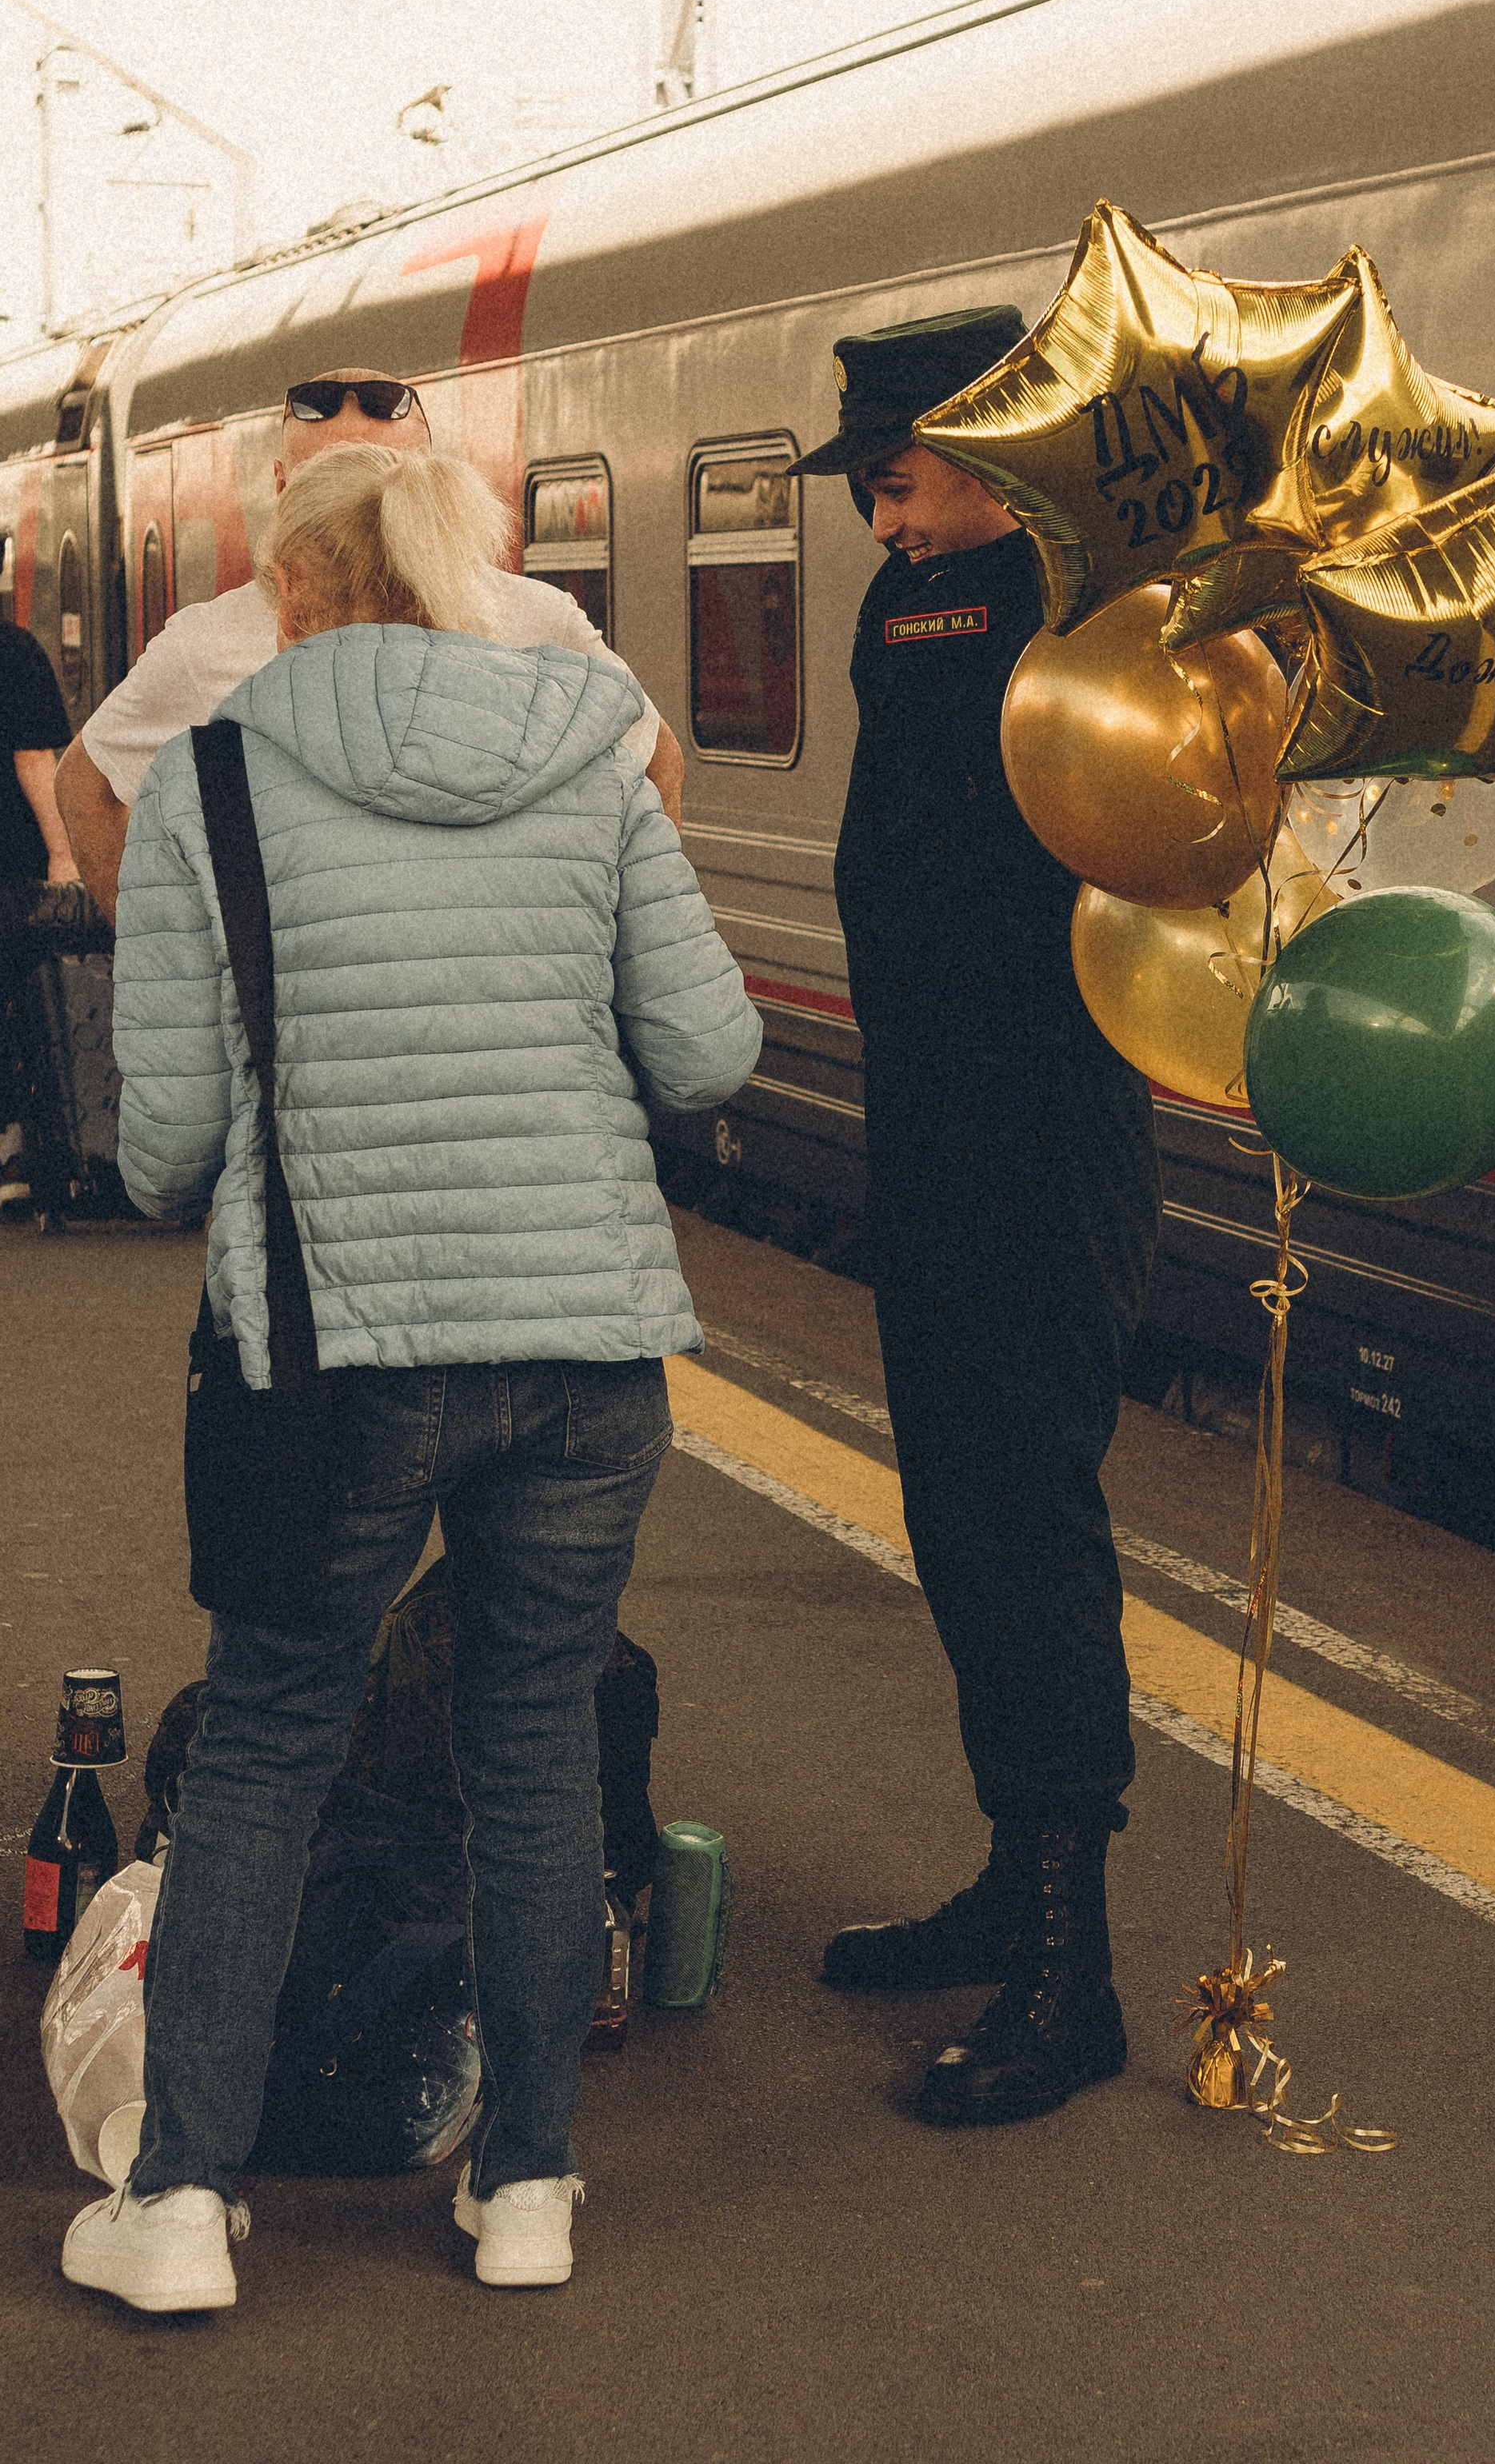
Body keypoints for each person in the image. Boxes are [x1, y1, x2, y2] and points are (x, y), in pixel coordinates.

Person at [62, 441, 760, 2315]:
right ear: (465, 575)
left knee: (275, 1738)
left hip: (337, 1349)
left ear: (289, 590)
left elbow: (164, 1146)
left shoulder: (212, 770)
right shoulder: (592, 750)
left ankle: (184, 2205)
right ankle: (526, 2182)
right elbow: (704, 1044)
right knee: (529, 1750)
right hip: (585, 1338)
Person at [791, 309, 1162, 2130]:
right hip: (929, 1118)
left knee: (1022, 1503)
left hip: (1045, 1116)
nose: (879, 517)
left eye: (901, 476)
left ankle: (1068, 1969)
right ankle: (1007, 1883)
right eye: (867, 484)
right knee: (951, 1494)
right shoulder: (904, 606)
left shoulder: (1104, 608)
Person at [56, 368, 686, 921]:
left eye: (389, 480)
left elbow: (657, 755)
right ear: (282, 490)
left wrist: (624, 938)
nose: (364, 509)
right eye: (327, 482)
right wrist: (158, 941)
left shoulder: (536, 613)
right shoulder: (206, 642)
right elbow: (84, 783)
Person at [1, 605, 81, 1207]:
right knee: (17, 1001)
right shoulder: (14, 649)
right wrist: (63, 854)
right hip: (12, 866)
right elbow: (34, 760)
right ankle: (18, 1152)